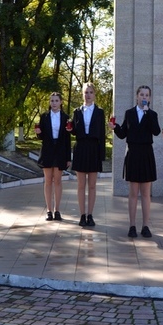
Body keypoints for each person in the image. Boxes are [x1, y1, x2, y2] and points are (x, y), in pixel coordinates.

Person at [111, 85, 161, 238]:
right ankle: (132, 226)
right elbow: (123, 134)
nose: (144, 97)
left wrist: (148, 115)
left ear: (150, 98)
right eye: (141, 94)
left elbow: (156, 131)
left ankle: (145, 226)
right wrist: (114, 127)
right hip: (132, 153)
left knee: (146, 193)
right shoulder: (129, 113)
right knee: (133, 192)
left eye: (147, 95)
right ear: (137, 97)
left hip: (146, 154)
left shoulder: (152, 114)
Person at [70, 82, 107, 227]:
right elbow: (74, 130)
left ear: (94, 94)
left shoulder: (100, 112)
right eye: (86, 92)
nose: (88, 95)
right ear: (82, 94)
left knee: (92, 185)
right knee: (81, 185)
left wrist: (102, 155)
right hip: (80, 147)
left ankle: (90, 215)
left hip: (93, 148)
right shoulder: (77, 111)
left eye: (91, 92)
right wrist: (70, 129)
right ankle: (82, 215)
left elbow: (102, 134)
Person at [36, 92, 72, 221]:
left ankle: (57, 210)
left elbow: (68, 139)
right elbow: (41, 136)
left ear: (61, 102)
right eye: (52, 101)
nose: (54, 103)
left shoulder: (66, 117)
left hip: (61, 151)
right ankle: (49, 210)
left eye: (56, 100)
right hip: (47, 150)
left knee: (57, 181)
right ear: (50, 102)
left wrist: (68, 157)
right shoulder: (44, 116)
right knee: (48, 181)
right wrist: (38, 133)